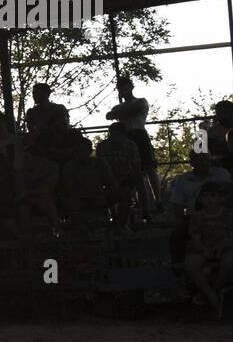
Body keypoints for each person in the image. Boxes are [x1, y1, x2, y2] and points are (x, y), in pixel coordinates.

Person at [182, 183, 233, 318]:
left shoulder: (230, 215)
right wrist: (203, 249)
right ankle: (212, 295)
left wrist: (222, 246)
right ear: (200, 199)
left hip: (226, 249)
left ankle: (211, 291)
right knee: (190, 264)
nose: (210, 200)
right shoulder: (197, 217)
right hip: (203, 249)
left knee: (231, 261)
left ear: (222, 198)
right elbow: (195, 237)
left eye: (214, 196)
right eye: (206, 196)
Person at [106, 77, 158, 212]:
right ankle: (139, 201)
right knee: (131, 170)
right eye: (121, 88)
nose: (123, 91)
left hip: (138, 135)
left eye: (125, 87)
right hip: (127, 137)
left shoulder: (140, 101)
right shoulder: (122, 106)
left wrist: (120, 114)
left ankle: (157, 199)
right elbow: (110, 115)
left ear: (131, 87)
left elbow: (120, 114)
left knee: (148, 167)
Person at [58, 137, 114, 230]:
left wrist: (104, 193)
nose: (81, 153)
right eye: (78, 150)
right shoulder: (69, 167)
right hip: (79, 197)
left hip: (99, 194)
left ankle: (118, 226)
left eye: (83, 150)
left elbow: (110, 182)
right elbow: (69, 188)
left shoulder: (100, 163)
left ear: (89, 150)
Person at [96, 122, 145, 224]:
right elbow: (99, 166)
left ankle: (144, 210)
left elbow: (136, 165)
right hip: (108, 178)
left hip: (127, 177)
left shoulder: (130, 145)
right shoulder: (102, 146)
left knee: (138, 180)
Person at [202, 100, 233, 168]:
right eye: (218, 113)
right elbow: (210, 150)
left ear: (232, 112)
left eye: (224, 113)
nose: (221, 116)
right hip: (220, 163)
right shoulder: (212, 131)